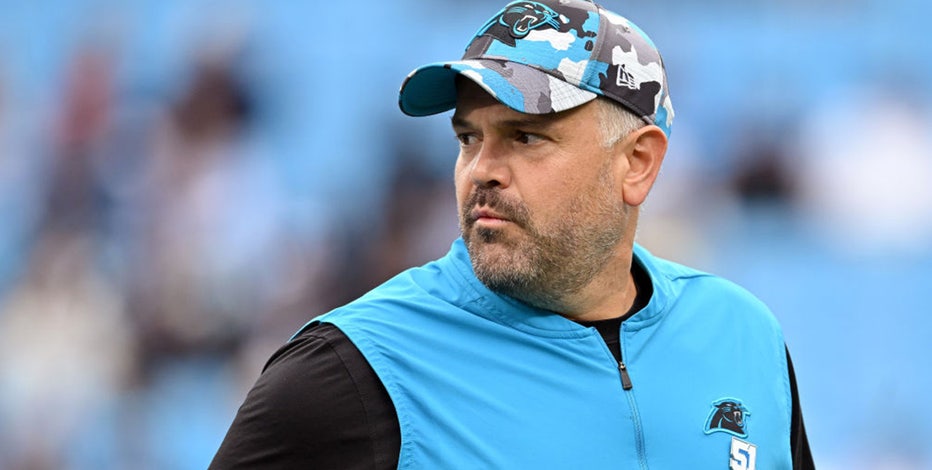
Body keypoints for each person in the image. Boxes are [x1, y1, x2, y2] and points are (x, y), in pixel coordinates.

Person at [210, 0, 814, 468]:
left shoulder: (743, 335)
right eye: (469, 138)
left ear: (637, 164)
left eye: (526, 137)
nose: (481, 171)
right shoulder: (354, 369)